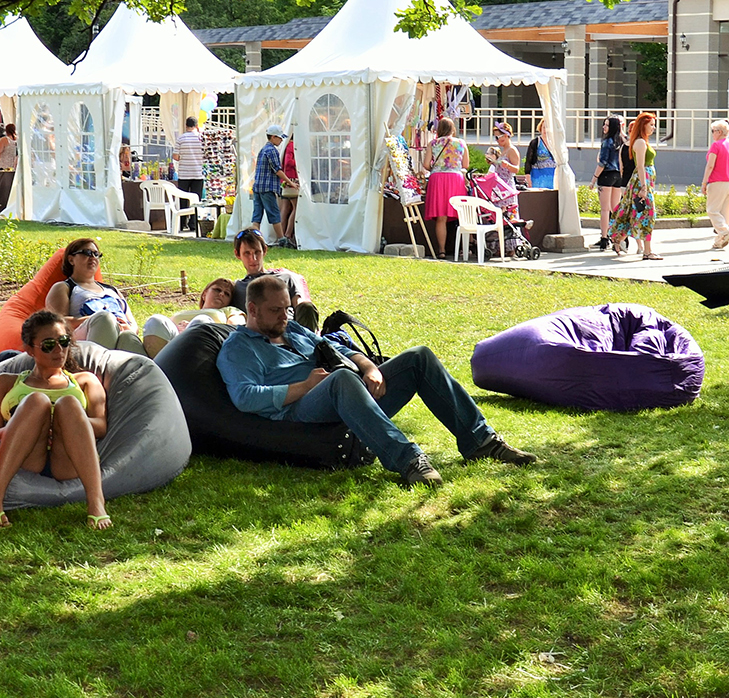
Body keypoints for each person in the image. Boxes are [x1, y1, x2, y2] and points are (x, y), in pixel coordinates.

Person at [219, 274, 536, 486]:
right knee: (342, 379)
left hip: (345, 393)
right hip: (300, 410)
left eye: (288, 310)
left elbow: (334, 346)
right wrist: (305, 386)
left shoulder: (291, 328)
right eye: (276, 311)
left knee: (419, 357)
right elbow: (246, 397)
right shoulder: (238, 350)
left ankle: (480, 440)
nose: (284, 317)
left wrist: (369, 367)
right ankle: (409, 460)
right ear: (251, 309)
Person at [0, 311, 111, 529]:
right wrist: (24, 426)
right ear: (30, 349)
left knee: (68, 404)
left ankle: (96, 503)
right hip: (25, 458)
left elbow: (100, 425)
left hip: (68, 459)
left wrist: (59, 423)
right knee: (36, 402)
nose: (59, 350)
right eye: (49, 344)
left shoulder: (85, 381)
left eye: (64, 341)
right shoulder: (5, 383)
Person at [44, 237, 152, 354]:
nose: (93, 258)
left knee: (128, 337)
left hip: (120, 335)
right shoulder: (65, 287)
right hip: (85, 341)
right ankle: (95, 367)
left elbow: (133, 324)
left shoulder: (112, 289)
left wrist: (129, 328)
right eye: (87, 253)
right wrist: (94, 319)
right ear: (71, 260)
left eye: (96, 254)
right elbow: (57, 323)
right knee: (105, 319)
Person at [228, 227, 318, 332]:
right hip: (260, 335)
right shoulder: (236, 287)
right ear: (237, 254)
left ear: (264, 250)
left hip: (292, 330)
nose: (253, 259)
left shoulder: (285, 278)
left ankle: (309, 344)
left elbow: (302, 307)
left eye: (257, 252)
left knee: (307, 307)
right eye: (247, 253)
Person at [141, 278, 245, 358]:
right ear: (204, 294)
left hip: (205, 346)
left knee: (202, 321)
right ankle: (158, 369)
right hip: (171, 343)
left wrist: (189, 331)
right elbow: (162, 331)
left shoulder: (229, 310)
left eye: (227, 294)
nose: (221, 294)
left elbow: (235, 329)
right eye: (217, 290)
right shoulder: (183, 312)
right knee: (155, 320)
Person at [607, 112, 660, 260]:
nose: (653, 128)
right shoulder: (640, 143)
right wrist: (644, 187)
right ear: (643, 125)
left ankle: (618, 239)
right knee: (647, 214)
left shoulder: (640, 141)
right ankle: (647, 251)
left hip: (644, 181)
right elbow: (641, 166)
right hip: (641, 182)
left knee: (634, 212)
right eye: (651, 125)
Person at [421, 117, 468, 259]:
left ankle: (441, 250)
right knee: (461, 214)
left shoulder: (433, 143)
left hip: (438, 179)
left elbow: (426, 165)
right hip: (455, 179)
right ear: (453, 129)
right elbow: (465, 164)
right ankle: (463, 250)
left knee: (441, 217)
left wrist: (437, 167)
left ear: (438, 129)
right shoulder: (460, 143)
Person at [702, 119, 729, 249]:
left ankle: (725, 232)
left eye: (713, 131)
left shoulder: (716, 145)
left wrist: (704, 182)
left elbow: (710, 165)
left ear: (719, 132)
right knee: (726, 213)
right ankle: (719, 241)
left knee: (712, 210)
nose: (712, 134)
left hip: (718, 181)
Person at [251, 124, 293, 245]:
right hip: (267, 188)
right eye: (280, 138)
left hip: (258, 186)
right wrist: (290, 182)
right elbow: (278, 170)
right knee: (274, 214)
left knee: (257, 216)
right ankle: (281, 240)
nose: (281, 140)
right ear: (273, 137)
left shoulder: (263, 149)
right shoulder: (272, 150)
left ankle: (254, 239)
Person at [589, 115, 624, 251]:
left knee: (605, 209)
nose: (604, 127)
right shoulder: (622, 141)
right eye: (604, 124)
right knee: (615, 208)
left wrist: (593, 180)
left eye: (607, 125)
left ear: (613, 127)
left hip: (606, 176)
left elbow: (602, 163)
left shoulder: (607, 142)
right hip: (618, 176)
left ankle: (604, 238)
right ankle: (618, 236)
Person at [174, 115, 206, 210]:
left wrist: (184, 157)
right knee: (196, 200)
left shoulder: (181, 139)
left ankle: (183, 223)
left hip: (184, 173)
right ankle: (194, 223)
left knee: (183, 200)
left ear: (186, 126)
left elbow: (175, 156)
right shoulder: (202, 138)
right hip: (198, 173)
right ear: (196, 126)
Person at [278, 127, 300, 248]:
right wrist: (300, 162)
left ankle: (281, 236)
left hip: (285, 180)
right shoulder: (291, 145)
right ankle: (287, 235)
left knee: (285, 208)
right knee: (295, 208)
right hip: (291, 180)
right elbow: (288, 163)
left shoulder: (286, 145)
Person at [522, 119, 558, 189]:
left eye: (548, 128)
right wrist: (528, 177)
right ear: (540, 128)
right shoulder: (535, 142)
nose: (546, 130)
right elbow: (528, 161)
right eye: (544, 127)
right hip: (538, 176)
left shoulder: (555, 143)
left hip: (553, 176)